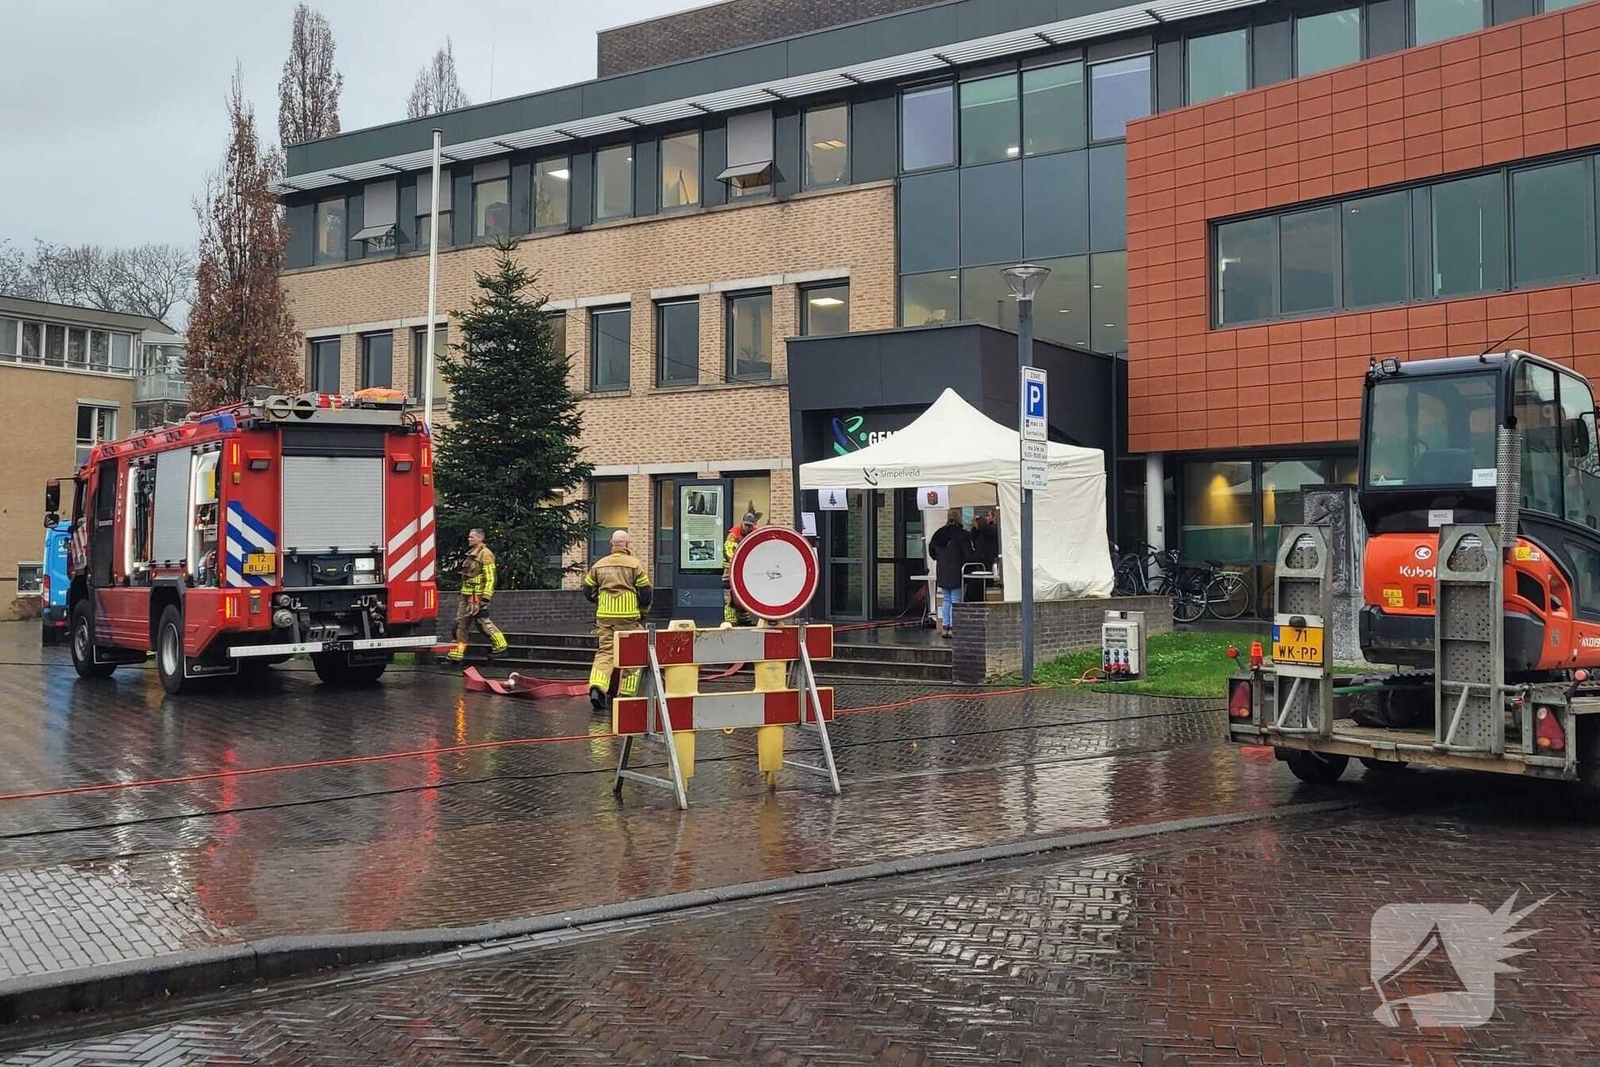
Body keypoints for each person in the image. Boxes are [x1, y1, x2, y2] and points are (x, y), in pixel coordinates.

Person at [583, 529, 652, 711]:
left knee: (605, 652)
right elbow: (645, 593)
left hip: (605, 616)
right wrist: (643, 611)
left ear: (612, 545)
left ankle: (597, 688)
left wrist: (598, 600)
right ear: (627, 545)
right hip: (628, 615)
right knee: (634, 652)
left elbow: (587, 589)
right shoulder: (635, 565)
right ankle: (627, 694)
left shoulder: (599, 564)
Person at [448, 528, 508, 662]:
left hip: (477, 597)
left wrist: (485, 597)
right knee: (460, 624)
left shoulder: (485, 554)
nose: (469, 539)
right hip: (466, 596)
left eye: (472, 537)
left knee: (483, 622)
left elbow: (490, 578)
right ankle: (457, 653)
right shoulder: (471, 555)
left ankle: (501, 647)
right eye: (469, 537)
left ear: (480, 539)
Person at [928, 508, 973, 639]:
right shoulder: (963, 535)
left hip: (942, 570)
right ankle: (954, 627)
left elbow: (932, 553)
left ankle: (945, 626)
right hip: (957, 571)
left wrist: (942, 558)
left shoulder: (939, 533)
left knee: (946, 600)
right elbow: (968, 555)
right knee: (956, 601)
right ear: (960, 518)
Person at [722, 511, 758, 626]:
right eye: (746, 525)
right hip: (730, 572)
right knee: (731, 595)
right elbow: (728, 551)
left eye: (750, 525)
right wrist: (736, 562)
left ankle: (743, 618)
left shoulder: (755, 533)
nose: (747, 528)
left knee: (743, 594)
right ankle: (730, 620)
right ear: (742, 523)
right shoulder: (734, 534)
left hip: (745, 571)